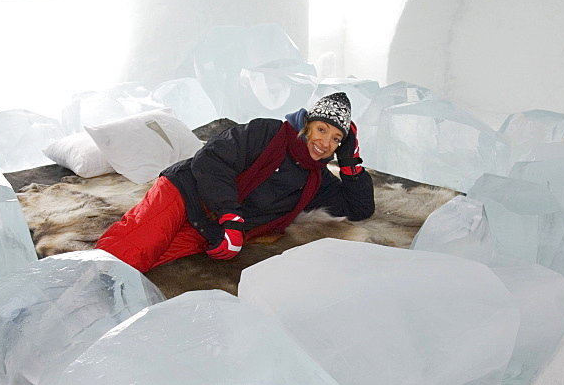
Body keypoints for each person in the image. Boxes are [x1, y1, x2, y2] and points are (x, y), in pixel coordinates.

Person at [95, 92, 375, 272]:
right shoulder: (267, 132)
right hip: (185, 194)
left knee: (146, 265)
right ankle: (70, 289)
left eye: (336, 138)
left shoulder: (317, 179)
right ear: (306, 125)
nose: (325, 142)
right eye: (321, 129)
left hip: (208, 230)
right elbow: (210, 160)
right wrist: (232, 219)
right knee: (131, 252)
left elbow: (359, 208)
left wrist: (350, 162)